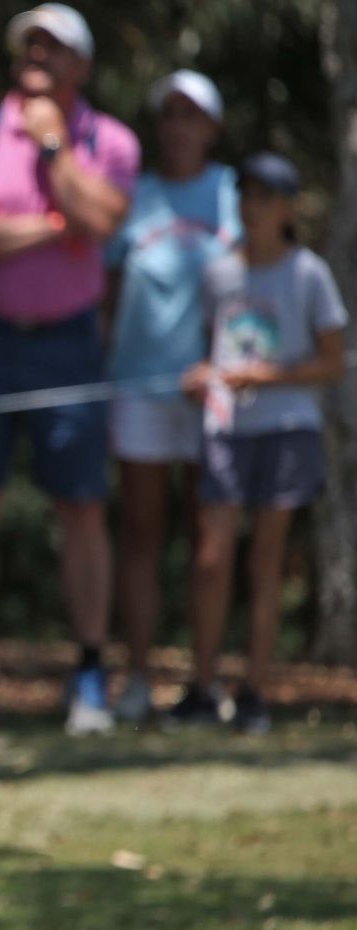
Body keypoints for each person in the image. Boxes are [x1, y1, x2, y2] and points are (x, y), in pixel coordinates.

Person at [0, 4, 138, 735]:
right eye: (30, 45)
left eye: (54, 48)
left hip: (69, 342)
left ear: (82, 65)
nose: (38, 57)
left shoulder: (110, 140)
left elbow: (103, 221)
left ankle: (89, 670)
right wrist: (56, 226)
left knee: (82, 505)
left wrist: (55, 149)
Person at [178, 153, 347, 734]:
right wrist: (201, 378)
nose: (252, 206)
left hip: (287, 428)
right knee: (211, 558)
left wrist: (266, 377)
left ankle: (254, 691)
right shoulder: (218, 274)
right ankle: (203, 688)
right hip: (227, 429)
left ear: (287, 208)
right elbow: (213, 351)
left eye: (264, 196)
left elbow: (332, 363)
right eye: (246, 194)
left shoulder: (309, 274)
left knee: (266, 561)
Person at [104, 71, 238, 723]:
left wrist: (224, 362)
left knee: (209, 540)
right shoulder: (134, 195)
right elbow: (106, 288)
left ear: (212, 127)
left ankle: (205, 683)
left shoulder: (233, 191)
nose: (179, 127)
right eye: (169, 114)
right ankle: (137, 678)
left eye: (192, 115)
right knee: (141, 535)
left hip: (217, 392)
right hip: (138, 386)